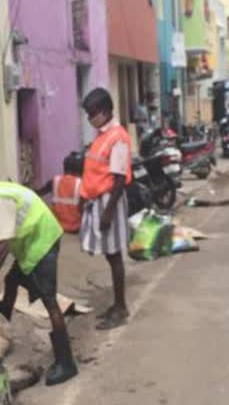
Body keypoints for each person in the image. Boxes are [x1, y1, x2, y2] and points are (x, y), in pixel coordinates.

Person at [0, 165, 78, 386]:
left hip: (42, 243)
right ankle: (1, 331)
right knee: (11, 281)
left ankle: (66, 363)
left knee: (50, 303)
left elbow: (2, 248)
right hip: (32, 241)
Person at [79, 88, 132, 330]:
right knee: (111, 257)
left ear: (106, 111)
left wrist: (108, 213)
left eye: (93, 114)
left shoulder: (117, 137)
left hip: (109, 200)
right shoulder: (102, 136)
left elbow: (119, 178)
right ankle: (117, 304)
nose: (90, 118)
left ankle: (121, 307)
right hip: (98, 200)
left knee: (114, 256)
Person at [36, 152, 84, 234]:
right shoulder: (81, 183)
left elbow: (38, 193)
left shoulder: (55, 181)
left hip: (57, 228)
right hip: (76, 229)